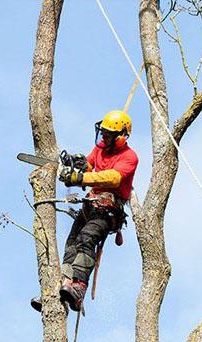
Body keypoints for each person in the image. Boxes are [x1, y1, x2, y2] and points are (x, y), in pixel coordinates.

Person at [31, 110, 139, 312]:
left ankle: (79, 287)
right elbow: (89, 166)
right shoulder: (100, 149)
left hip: (109, 210)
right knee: (72, 244)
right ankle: (60, 286)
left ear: (120, 137)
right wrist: (78, 165)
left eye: (108, 134)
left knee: (87, 239)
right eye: (103, 133)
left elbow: (113, 178)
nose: (104, 137)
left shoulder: (129, 157)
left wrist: (80, 178)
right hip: (90, 206)